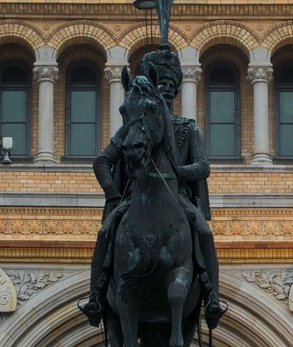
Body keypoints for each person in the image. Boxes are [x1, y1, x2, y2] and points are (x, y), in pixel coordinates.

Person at [79, 47, 223, 330]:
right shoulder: (132, 128)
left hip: (178, 198)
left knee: (204, 232)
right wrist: (113, 194)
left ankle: (213, 296)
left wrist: (178, 173)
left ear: (178, 88)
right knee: (106, 231)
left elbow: (203, 166)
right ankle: (95, 295)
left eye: (171, 84)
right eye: (161, 84)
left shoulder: (188, 128)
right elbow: (102, 162)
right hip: (134, 199)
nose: (166, 89)